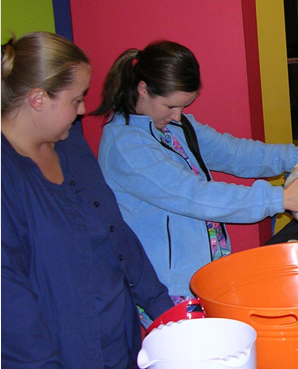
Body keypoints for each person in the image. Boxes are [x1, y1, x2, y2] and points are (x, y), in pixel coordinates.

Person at [92, 40, 298, 303]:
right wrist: (279, 199)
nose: (178, 116)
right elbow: (195, 196)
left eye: (183, 107)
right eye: (170, 106)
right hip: (168, 285)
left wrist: (293, 156)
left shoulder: (173, 125)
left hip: (203, 269)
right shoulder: (125, 146)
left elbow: (231, 151)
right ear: (142, 90)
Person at [1, 32, 174, 368]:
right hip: (62, 354)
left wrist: (164, 309)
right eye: (75, 99)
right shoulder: (9, 178)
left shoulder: (70, 146)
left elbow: (116, 234)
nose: (82, 111)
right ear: (38, 99)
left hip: (117, 340)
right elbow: (10, 305)